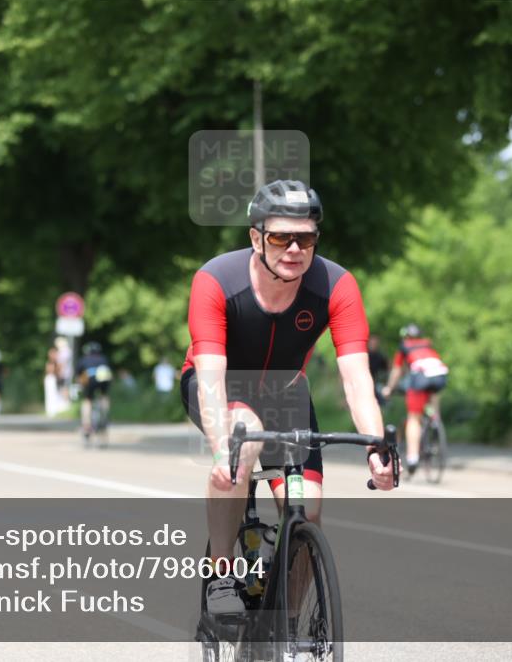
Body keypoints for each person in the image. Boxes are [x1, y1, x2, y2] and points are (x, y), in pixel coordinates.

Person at [181, 179, 395, 615]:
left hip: (287, 390)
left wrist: (376, 446)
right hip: (222, 387)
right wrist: (224, 452)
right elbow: (210, 377)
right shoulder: (216, 279)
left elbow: (356, 378)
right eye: (281, 237)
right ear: (256, 237)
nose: (294, 249)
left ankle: (288, 624)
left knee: (307, 512)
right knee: (242, 444)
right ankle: (222, 576)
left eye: (306, 238)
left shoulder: (337, 285)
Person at [381, 323, 449, 476]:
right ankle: (435, 421)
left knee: (413, 418)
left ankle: (413, 458)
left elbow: (397, 371)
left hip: (420, 378)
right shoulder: (428, 345)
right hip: (439, 375)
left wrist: (389, 389)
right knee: (432, 396)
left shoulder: (404, 346)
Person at [75, 341, 112, 440]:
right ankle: (104, 414)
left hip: (90, 379)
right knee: (104, 395)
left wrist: (80, 385)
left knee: (87, 400)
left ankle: (86, 425)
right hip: (104, 377)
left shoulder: (84, 359)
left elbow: (78, 376)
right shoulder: (103, 358)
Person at [367, 334, 390, 405]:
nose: (374, 345)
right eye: (372, 343)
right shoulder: (364, 355)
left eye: (375, 343)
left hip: (375, 381)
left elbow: (387, 369)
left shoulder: (380, 356)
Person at [44, 347, 62, 416]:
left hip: (55, 379)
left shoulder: (57, 362)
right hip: (51, 379)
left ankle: (54, 411)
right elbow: (49, 371)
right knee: (50, 395)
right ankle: (50, 411)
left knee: (55, 395)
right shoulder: (50, 362)